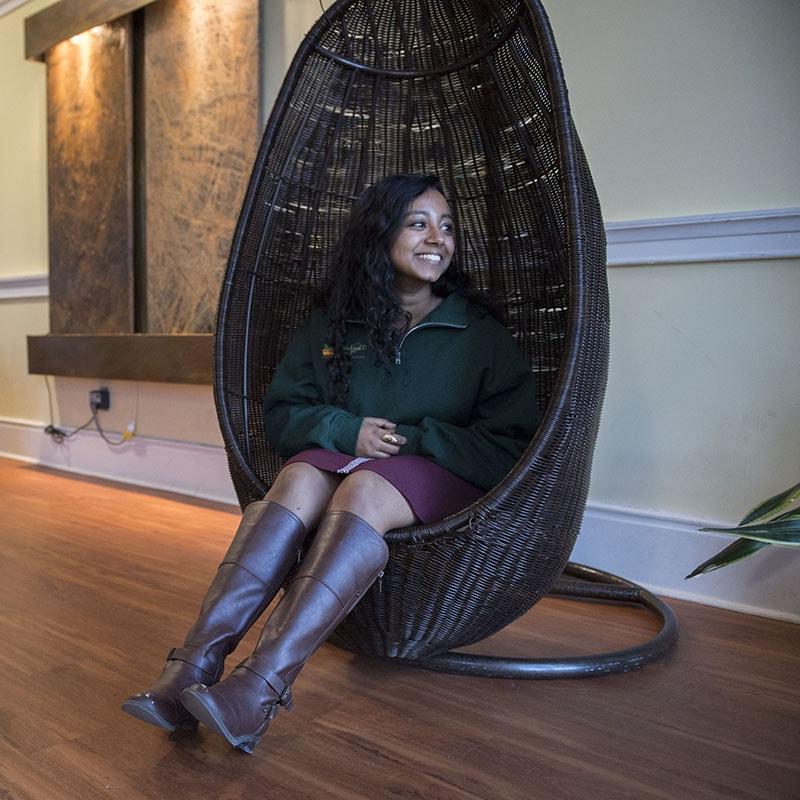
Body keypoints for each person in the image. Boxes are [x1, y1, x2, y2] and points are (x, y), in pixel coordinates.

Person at [122, 174, 539, 753]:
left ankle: (257, 690)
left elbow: (511, 445)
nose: (437, 239)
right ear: (380, 234)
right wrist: (347, 429)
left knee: (363, 489)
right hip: (349, 458)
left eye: (447, 227)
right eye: (418, 222)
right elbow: (282, 413)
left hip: (441, 471)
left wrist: (415, 440)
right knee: (293, 479)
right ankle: (191, 668)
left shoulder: (481, 334)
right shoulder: (333, 323)